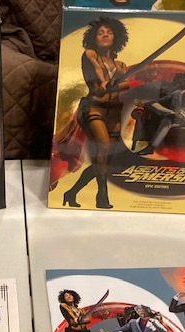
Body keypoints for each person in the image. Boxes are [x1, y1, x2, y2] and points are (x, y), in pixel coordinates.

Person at [62, 16, 130, 209]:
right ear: (94, 37)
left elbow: (127, 84)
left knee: (106, 159)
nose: (105, 35)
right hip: (93, 108)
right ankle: (102, 196)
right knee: (103, 147)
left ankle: (71, 192)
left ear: (116, 37)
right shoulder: (90, 54)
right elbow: (98, 74)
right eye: (101, 32)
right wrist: (104, 85)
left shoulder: (121, 66)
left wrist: (115, 85)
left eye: (109, 32)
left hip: (114, 112)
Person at [135, 71, 185, 155]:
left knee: (168, 119)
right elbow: (160, 102)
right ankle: (171, 113)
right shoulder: (177, 93)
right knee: (152, 104)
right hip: (171, 115)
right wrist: (145, 104)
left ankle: (152, 147)